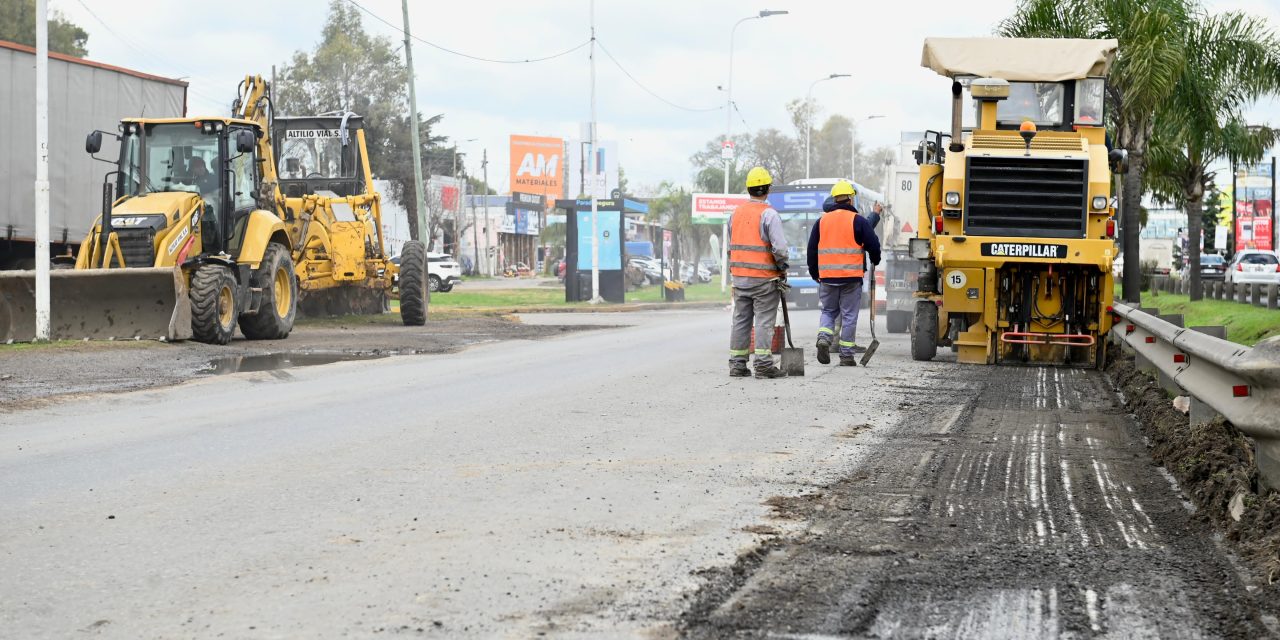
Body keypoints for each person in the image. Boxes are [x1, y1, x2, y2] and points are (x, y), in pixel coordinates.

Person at [807, 181, 881, 366]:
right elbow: (873, 244)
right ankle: (846, 356)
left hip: (827, 278)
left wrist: (815, 273)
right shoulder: (858, 220)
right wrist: (875, 259)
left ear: (834, 199)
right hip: (851, 278)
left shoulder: (821, 221)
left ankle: (824, 337)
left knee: (828, 311)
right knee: (849, 315)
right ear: (850, 199)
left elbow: (811, 250)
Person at [727, 166, 789, 379]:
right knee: (763, 320)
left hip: (740, 278)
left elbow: (732, 244)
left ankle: (737, 364)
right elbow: (779, 248)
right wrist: (782, 267)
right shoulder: (769, 214)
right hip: (763, 280)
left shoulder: (735, 214)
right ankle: (763, 365)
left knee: (741, 320)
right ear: (767, 190)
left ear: (749, 189)